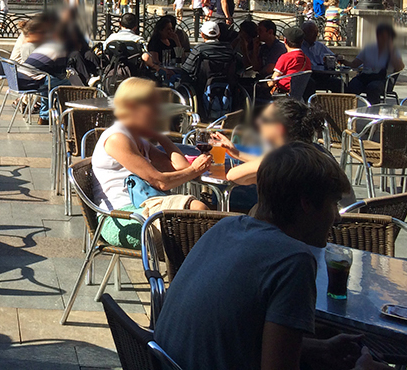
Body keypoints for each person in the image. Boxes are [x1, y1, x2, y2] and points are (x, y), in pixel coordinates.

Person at [152, 142, 370, 370]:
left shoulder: (225, 227)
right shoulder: (293, 260)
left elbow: (239, 339)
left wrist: (321, 349)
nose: (337, 218)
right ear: (306, 203)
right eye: (333, 204)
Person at [90, 78, 210, 248]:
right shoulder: (117, 138)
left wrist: (161, 135)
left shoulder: (138, 138)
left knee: (199, 222)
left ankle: (187, 271)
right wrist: (195, 170)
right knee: (197, 214)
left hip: (144, 210)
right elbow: (161, 182)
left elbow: (180, 167)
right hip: (121, 220)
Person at [211, 98, 331, 187]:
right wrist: (238, 153)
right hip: (340, 218)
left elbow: (233, 175)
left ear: (278, 129)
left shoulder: (286, 158)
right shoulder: (316, 151)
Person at [347, 22, 404, 103]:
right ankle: (348, 108)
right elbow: (355, 64)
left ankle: (374, 111)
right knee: (352, 85)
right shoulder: (369, 48)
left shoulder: (393, 51)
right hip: (365, 77)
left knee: (373, 88)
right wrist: (342, 61)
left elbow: (400, 67)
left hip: (383, 80)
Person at [300, 20, 341, 92]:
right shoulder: (299, 46)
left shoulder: (319, 46)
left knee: (338, 83)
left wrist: (336, 58)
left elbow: (333, 56)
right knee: (309, 83)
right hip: (308, 74)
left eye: (316, 32)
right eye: (312, 32)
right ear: (304, 33)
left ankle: (339, 102)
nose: (316, 35)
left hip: (322, 74)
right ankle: (311, 102)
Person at [269, 26, 310, 94]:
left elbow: (273, 81)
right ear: (302, 42)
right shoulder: (306, 59)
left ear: (285, 41)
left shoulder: (285, 57)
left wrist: (261, 85)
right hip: (298, 94)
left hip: (282, 92)